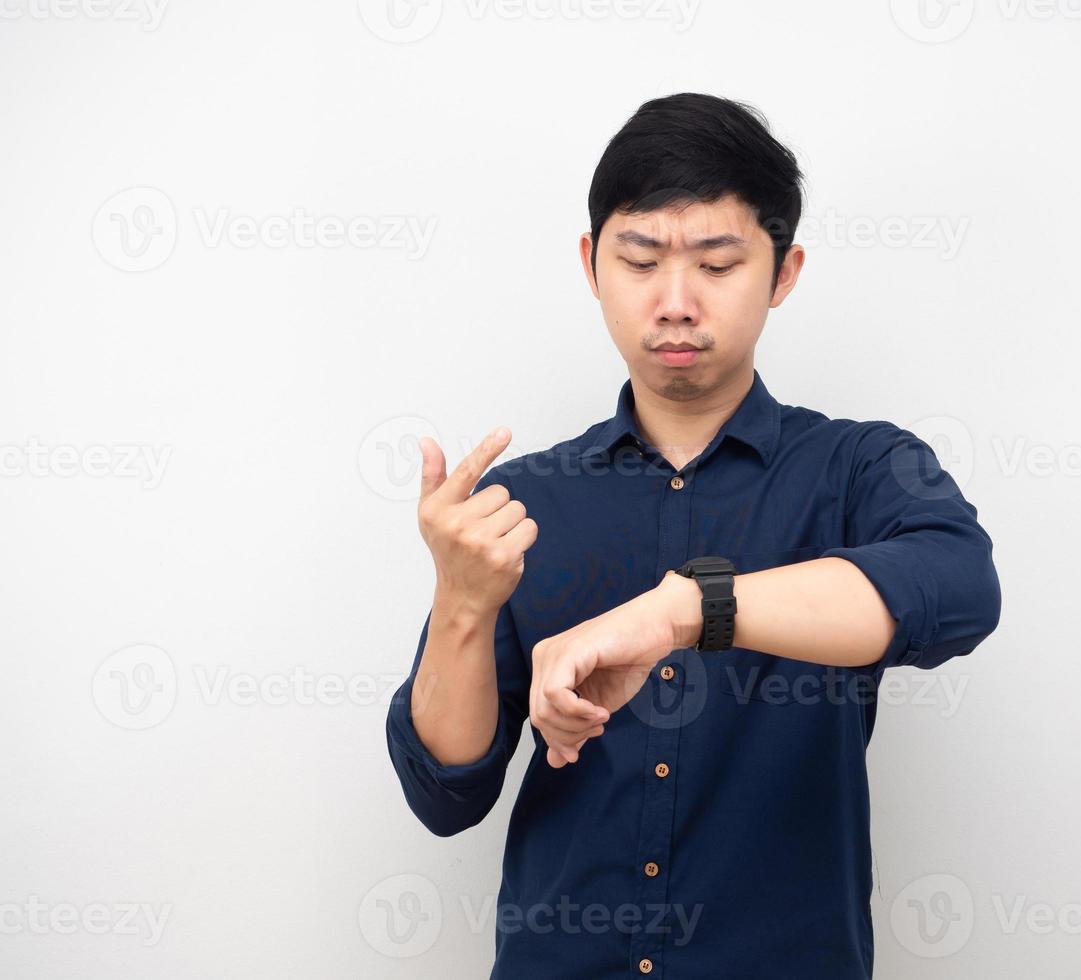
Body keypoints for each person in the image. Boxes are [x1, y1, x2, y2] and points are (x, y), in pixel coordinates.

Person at [385, 91, 1002, 979]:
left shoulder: (858, 469)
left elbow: (956, 589)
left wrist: (683, 611)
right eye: (640, 261)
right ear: (592, 264)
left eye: (717, 265)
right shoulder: (524, 503)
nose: (675, 303)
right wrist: (460, 606)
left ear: (783, 272)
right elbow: (445, 796)